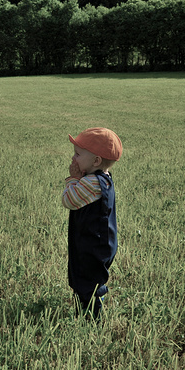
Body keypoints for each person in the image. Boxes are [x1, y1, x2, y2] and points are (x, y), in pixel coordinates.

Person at [62, 127, 122, 319]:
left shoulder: (91, 183)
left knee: (88, 280)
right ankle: (89, 306)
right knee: (90, 277)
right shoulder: (102, 179)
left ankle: (93, 318)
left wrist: (73, 179)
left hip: (91, 244)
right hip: (98, 241)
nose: (74, 159)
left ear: (96, 161)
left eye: (78, 154)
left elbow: (69, 200)